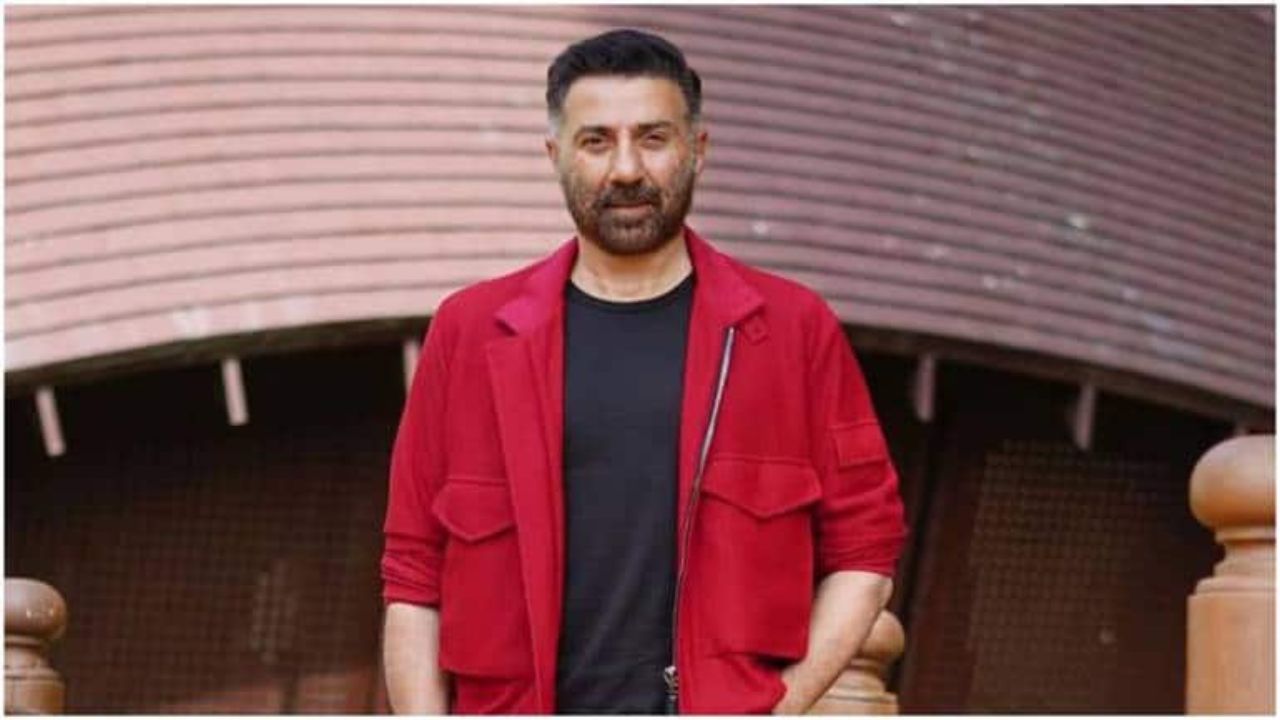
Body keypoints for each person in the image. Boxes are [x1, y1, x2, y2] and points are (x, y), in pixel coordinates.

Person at [381, 28, 906, 715]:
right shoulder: (472, 332)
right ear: (556, 157)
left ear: (698, 149)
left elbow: (865, 551)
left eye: (653, 138)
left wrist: (775, 707)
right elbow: (413, 575)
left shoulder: (790, 330)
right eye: (596, 141)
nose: (626, 169)